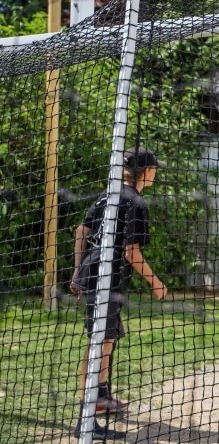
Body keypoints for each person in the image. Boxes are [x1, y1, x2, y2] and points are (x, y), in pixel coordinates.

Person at [69, 147, 168, 440]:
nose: (156, 174)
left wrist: (78, 272)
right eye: (155, 169)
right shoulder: (136, 202)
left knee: (106, 340)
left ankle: (101, 399)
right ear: (147, 172)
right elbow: (131, 252)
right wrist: (156, 282)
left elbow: (80, 232)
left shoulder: (108, 194)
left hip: (95, 275)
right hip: (106, 280)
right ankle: (85, 420)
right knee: (99, 345)